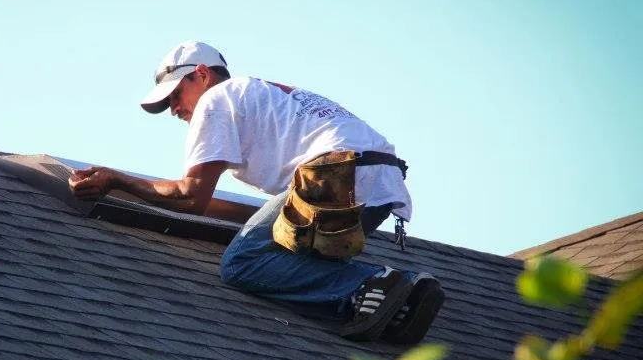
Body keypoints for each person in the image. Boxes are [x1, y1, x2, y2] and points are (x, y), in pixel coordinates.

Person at [69, 41, 443, 343]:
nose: (173, 109)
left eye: (175, 96)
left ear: (200, 75)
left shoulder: (216, 101)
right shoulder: (261, 96)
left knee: (242, 262)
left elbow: (191, 196)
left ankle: (371, 283)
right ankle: (395, 304)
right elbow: (224, 208)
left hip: (334, 171)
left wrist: (117, 180)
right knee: (303, 255)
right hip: (378, 180)